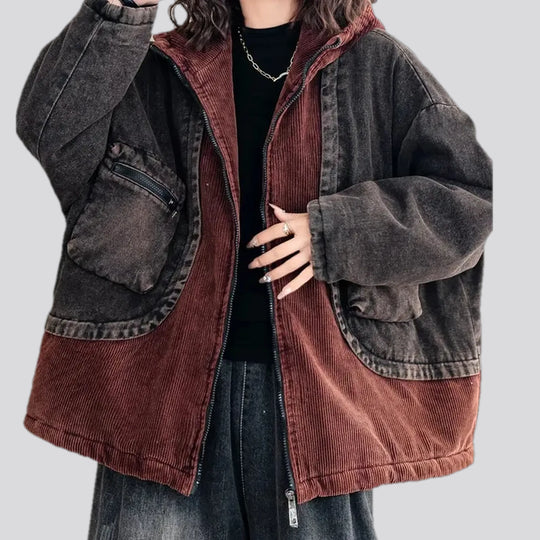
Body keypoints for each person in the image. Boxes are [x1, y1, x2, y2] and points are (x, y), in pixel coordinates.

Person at [15, 0, 493, 538]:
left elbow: (470, 201)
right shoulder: (160, 66)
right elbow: (51, 128)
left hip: (319, 412)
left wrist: (336, 232)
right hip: (162, 408)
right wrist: (123, 9)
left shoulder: (376, 64)